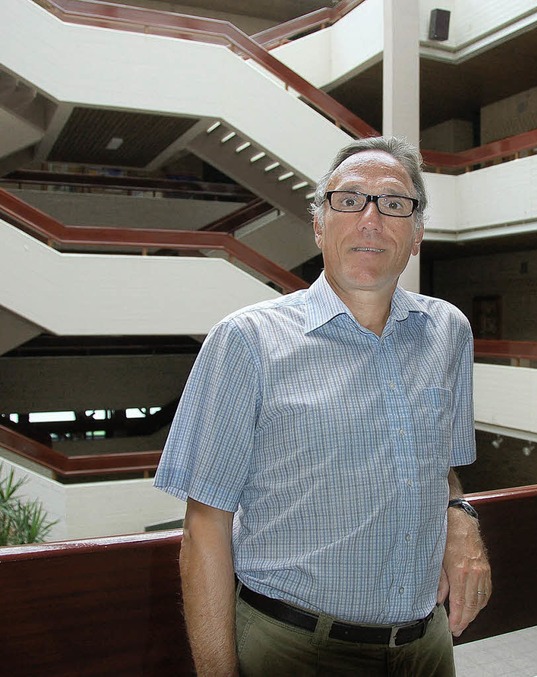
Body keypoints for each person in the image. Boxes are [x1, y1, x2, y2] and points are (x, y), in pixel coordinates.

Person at [155, 136, 491, 676]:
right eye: (350, 199)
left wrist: (460, 516)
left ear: (418, 233)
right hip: (295, 650)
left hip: (426, 648)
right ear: (318, 224)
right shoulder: (247, 341)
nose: (371, 219)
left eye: (394, 203)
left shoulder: (448, 333)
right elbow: (204, 527)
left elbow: (440, 468)